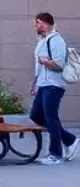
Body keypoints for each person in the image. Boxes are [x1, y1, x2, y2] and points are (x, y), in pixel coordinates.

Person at [31, 12, 79, 165]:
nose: (36, 25)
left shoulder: (56, 40)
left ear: (46, 23)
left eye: (38, 23)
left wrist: (45, 62)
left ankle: (55, 154)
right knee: (36, 115)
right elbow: (38, 66)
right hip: (44, 84)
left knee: (51, 118)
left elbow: (59, 65)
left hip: (54, 85)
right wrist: (34, 82)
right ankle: (69, 139)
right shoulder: (43, 41)